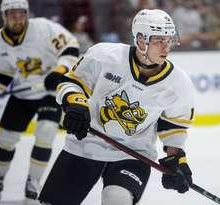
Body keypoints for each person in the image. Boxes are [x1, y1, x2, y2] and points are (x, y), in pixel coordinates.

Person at [38, 9, 195, 205]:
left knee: (117, 200)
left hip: (134, 154)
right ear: (140, 41)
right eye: (159, 41)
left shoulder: (179, 83)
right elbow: (71, 83)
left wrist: (177, 159)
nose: (166, 47)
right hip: (84, 145)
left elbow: (174, 126)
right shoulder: (104, 55)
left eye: (169, 40)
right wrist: (75, 105)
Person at [0, 0, 79, 202]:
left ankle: (33, 182)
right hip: (23, 94)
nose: (17, 18)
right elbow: (2, 72)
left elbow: (71, 48)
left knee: (46, 132)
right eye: (12, 14)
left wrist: (59, 71)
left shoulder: (44, 28)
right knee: (5, 138)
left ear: (27, 14)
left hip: (50, 93)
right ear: (4, 16)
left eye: (21, 13)